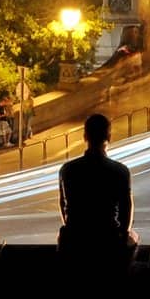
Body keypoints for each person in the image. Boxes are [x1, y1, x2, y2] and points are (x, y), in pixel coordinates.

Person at [58, 114, 135, 274]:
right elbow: (125, 211)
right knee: (134, 238)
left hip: (75, 241)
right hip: (108, 239)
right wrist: (122, 235)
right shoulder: (120, 171)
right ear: (109, 137)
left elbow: (63, 206)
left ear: (85, 136)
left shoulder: (67, 170)